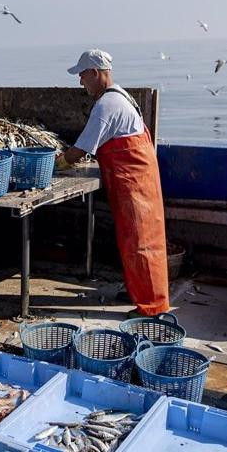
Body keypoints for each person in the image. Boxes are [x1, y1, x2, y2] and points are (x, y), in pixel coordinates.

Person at [56, 49, 170, 318]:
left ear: (95, 73)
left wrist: (57, 163)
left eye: (82, 76)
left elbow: (80, 150)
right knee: (134, 241)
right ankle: (138, 292)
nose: (80, 82)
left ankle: (152, 308)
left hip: (135, 184)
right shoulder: (121, 97)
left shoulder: (107, 105)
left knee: (143, 243)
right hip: (135, 180)